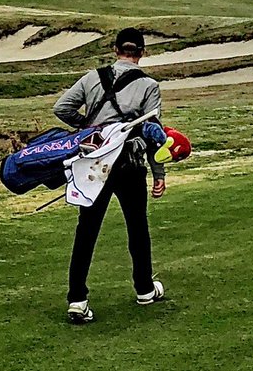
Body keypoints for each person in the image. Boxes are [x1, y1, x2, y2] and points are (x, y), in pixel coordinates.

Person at [53, 27, 166, 324]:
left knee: (86, 231)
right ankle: (144, 289)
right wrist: (159, 174)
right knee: (137, 228)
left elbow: (61, 107)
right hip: (129, 164)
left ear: (115, 50)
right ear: (141, 52)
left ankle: (77, 299)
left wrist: (89, 128)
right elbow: (154, 134)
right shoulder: (149, 86)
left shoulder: (93, 77)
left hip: (94, 165)